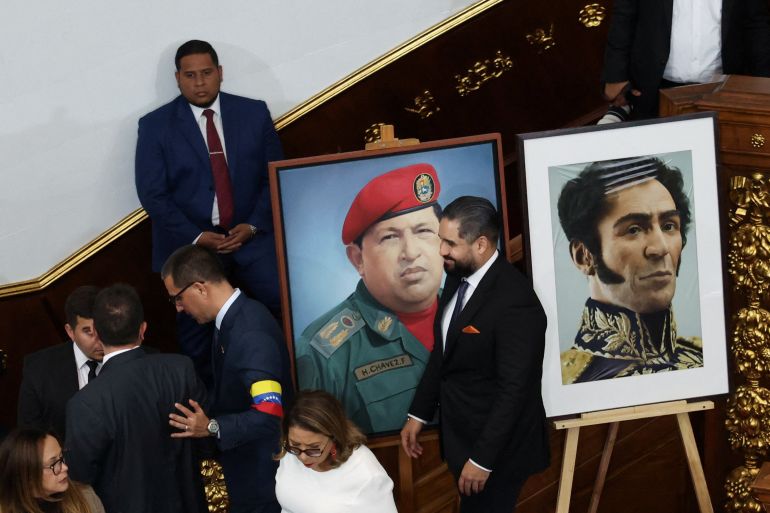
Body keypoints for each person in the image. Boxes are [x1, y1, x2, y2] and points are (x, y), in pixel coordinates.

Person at [135, 39, 284, 386]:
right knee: (195, 338)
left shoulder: (254, 113)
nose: (199, 82)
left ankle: (285, 388)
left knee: (281, 306)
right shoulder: (156, 126)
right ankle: (211, 409)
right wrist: (198, 237)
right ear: (177, 78)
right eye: (190, 75)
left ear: (220, 73)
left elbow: (274, 174)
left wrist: (253, 225)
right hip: (192, 247)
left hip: (250, 238)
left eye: (206, 73)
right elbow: (152, 195)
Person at [401, 196, 549, 513]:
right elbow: (443, 355)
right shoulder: (457, 278)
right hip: (463, 443)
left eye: (450, 243)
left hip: (498, 455)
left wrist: (483, 460)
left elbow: (515, 391)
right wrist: (418, 414)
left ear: (480, 244)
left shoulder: (515, 302)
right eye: (441, 239)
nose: (441, 251)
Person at [295, 163, 444, 434]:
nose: (411, 252)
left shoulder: (474, 311)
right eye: (390, 237)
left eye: (423, 231)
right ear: (358, 259)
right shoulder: (323, 352)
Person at [162, 244, 293, 513]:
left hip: (262, 476)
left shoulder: (249, 333)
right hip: (247, 468)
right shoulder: (233, 319)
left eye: (178, 298)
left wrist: (210, 426)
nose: (178, 308)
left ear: (199, 288)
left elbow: (269, 413)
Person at [557, 156, 704, 384]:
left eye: (668, 226)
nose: (661, 248)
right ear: (583, 256)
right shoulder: (566, 380)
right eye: (634, 229)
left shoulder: (704, 359)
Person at [65, 284, 207, 513]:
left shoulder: (85, 402)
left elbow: (80, 477)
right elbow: (207, 442)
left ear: (98, 335)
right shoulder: (181, 369)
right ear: (143, 329)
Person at [600, 0, 770, 119]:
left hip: (722, 89)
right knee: (658, 164)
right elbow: (624, 14)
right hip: (655, 88)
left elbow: (756, 22)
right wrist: (616, 75)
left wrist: (764, 85)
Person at [274, 390, 397, 513]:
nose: (303, 457)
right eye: (295, 445)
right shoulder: (290, 452)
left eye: (313, 447)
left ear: (335, 437)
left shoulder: (367, 475)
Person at [17, 286, 104, 438]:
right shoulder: (38, 370)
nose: (99, 341)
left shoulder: (137, 359)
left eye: (103, 328)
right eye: (88, 332)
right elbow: (29, 440)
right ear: (70, 331)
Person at [0, 428, 104, 513]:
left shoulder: (86, 498)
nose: (65, 467)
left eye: (61, 457)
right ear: (27, 476)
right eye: (53, 463)